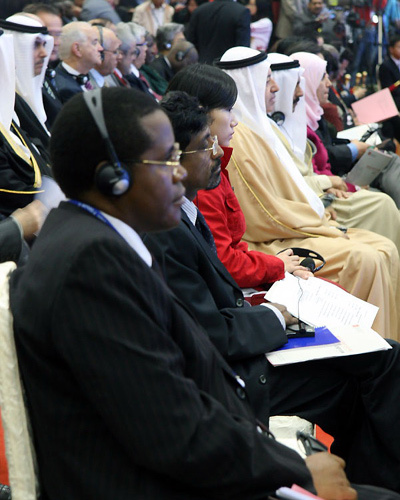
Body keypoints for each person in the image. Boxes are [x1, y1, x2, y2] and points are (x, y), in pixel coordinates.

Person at [8, 85, 369, 500]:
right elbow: (171, 431)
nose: (180, 172)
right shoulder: (89, 266)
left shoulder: (97, 239)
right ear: (113, 177)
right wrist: (296, 471)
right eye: (166, 160)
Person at [144, 91, 400, 495]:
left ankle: (368, 478)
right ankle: (373, 482)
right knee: (376, 364)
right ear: (172, 161)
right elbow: (213, 335)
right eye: (205, 145)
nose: (218, 151)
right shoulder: (168, 227)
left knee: (377, 352)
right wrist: (277, 314)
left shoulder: (186, 210)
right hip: (237, 376)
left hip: (246, 339)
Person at [216, 46, 400, 340]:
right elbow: (262, 214)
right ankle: (368, 356)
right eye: (266, 81)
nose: (275, 86)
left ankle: (389, 348)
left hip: (293, 222)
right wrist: (319, 221)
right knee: (366, 257)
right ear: (248, 84)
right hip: (269, 239)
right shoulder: (238, 139)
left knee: (384, 247)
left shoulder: (260, 128)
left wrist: (319, 216)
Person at [167, 63, 310, 288]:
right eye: (228, 109)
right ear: (201, 114)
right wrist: (276, 265)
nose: (234, 120)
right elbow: (223, 263)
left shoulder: (214, 162)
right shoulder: (199, 178)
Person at [269, 51, 400, 249]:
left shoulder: (309, 117)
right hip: (308, 204)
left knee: (387, 183)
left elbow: (310, 169)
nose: (300, 92)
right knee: (383, 206)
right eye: (323, 77)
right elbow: (287, 186)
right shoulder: (281, 126)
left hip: (321, 191)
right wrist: (331, 183)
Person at [186, 0, 251, 64]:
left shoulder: (199, 10)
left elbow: (190, 41)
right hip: (229, 66)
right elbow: (243, 47)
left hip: (202, 65)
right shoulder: (241, 11)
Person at [54, 21, 103, 103]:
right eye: (94, 43)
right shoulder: (67, 90)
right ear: (77, 49)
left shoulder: (81, 76)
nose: (100, 48)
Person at [379, 34, 400, 142]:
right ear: (391, 49)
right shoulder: (386, 66)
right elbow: (388, 90)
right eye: (399, 47)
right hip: (393, 105)